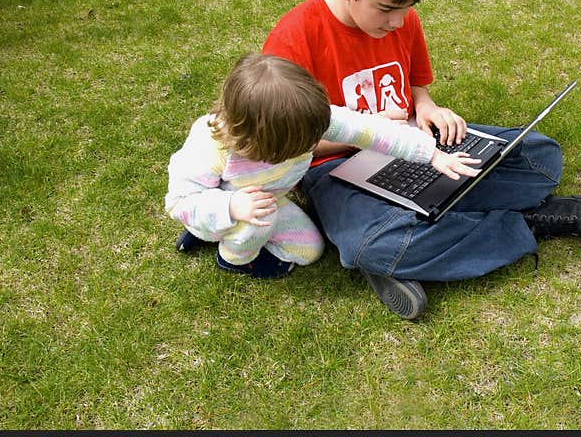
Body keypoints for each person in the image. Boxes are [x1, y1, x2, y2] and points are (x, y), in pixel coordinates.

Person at [262, 0, 581, 318]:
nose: (397, 22)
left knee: (539, 158)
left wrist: (427, 108)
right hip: (335, 167)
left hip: (416, 142)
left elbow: (416, 88)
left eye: (407, 9)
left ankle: (421, 228)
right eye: (386, 9)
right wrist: (367, 134)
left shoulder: (402, 19)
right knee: (369, 244)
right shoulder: (293, 39)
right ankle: (525, 224)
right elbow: (286, 144)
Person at [164, 52, 480, 286]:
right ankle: (232, 257)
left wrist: (431, 154)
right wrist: (231, 206)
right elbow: (180, 201)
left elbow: (371, 131)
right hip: (222, 206)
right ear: (262, 141)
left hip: (267, 201)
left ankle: (226, 234)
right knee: (260, 220)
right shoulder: (211, 146)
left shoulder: (303, 117)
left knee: (309, 250)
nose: (312, 145)